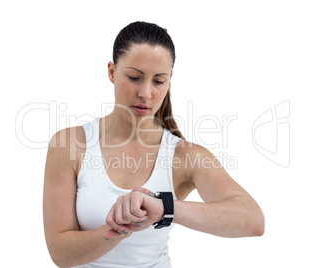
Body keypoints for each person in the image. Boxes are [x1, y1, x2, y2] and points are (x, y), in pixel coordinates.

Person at [43, 21, 265, 268]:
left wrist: (165, 209)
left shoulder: (185, 155)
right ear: (111, 72)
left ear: (170, 80)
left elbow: (252, 220)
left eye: (158, 81)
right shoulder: (69, 145)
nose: (146, 93)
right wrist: (119, 227)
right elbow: (61, 254)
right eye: (134, 77)